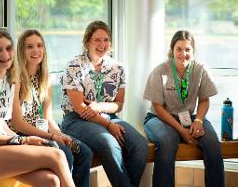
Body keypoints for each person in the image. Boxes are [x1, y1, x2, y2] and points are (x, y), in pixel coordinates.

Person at [0, 28, 75, 187]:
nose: (5, 55)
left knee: (50, 181)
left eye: (8, 49)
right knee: (57, 156)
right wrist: (21, 139)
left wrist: (24, 142)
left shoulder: (7, 81)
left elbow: (1, 124)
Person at [60, 20, 148, 187]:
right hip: (76, 120)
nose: (102, 44)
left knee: (140, 145)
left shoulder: (118, 68)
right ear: (88, 42)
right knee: (110, 143)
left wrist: (99, 107)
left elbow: (119, 104)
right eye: (97, 40)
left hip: (108, 116)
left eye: (106, 40)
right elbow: (79, 107)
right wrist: (108, 125)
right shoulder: (75, 65)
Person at [10, 29, 92, 187]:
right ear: (21, 51)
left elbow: (48, 118)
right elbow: (17, 123)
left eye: (39, 45)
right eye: (30, 47)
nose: (36, 50)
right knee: (65, 153)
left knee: (83, 151)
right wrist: (53, 138)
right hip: (22, 135)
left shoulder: (45, 79)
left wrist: (61, 135)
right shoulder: (16, 79)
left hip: (44, 131)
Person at [143, 30, 224, 187]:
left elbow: (204, 99)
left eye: (188, 49)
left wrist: (199, 120)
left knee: (213, 145)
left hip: (191, 117)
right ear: (172, 50)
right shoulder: (160, 71)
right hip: (159, 117)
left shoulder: (201, 69)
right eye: (179, 49)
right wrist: (181, 130)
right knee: (167, 142)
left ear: (193, 51)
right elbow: (157, 107)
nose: (183, 54)